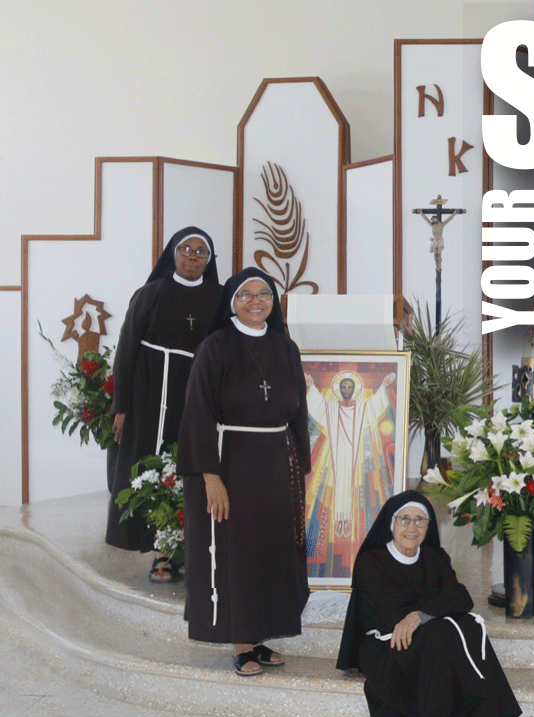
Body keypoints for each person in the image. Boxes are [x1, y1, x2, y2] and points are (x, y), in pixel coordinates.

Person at [177, 267, 310, 676]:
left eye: (263, 294)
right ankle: (240, 641)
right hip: (230, 459)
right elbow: (197, 411)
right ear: (232, 302)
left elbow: (299, 411)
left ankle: (262, 635)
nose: (255, 302)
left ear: (274, 301)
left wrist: (301, 466)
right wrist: (209, 476)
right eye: (245, 295)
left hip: (277, 460)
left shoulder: (285, 347)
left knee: (271, 549)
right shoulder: (215, 346)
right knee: (238, 550)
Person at [336, 491, 522, 717]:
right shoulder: (371, 561)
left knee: (466, 628)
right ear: (391, 523)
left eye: (420, 520)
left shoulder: (435, 558)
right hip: (385, 645)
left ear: (428, 526)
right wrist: (431, 611)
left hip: (424, 637)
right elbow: (389, 615)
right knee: (441, 633)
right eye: (404, 519)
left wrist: (420, 615)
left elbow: (461, 597)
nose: (412, 527)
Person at [106, 227, 223, 582]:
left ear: (209, 260)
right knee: (154, 470)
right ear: (173, 252)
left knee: (193, 469)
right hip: (150, 396)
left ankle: (189, 550)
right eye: (186, 249)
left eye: (201, 251)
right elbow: (126, 351)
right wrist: (121, 406)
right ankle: (161, 553)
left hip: (198, 395)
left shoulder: (220, 298)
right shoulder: (150, 294)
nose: (192, 257)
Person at [304, 369, 397, 571]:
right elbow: (319, 406)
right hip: (337, 456)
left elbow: (374, 406)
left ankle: (347, 524)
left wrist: (384, 386)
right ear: (339, 389)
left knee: (351, 485)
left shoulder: (362, 408)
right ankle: (340, 522)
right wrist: (310, 386)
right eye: (344, 386)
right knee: (339, 484)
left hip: (354, 456)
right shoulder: (332, 409)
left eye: (350, 386)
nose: (347, 389)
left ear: (355, 389)